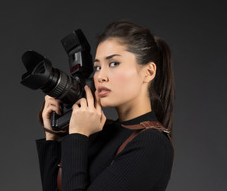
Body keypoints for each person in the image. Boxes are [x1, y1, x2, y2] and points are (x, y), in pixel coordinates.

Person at [36, 20, 175, 191]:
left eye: (114, 63)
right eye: (97, 67)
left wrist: (78, 135)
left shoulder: (151, 144)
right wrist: (53, 138)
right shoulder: (102, 132)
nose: (100, 76)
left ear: (148, 72)